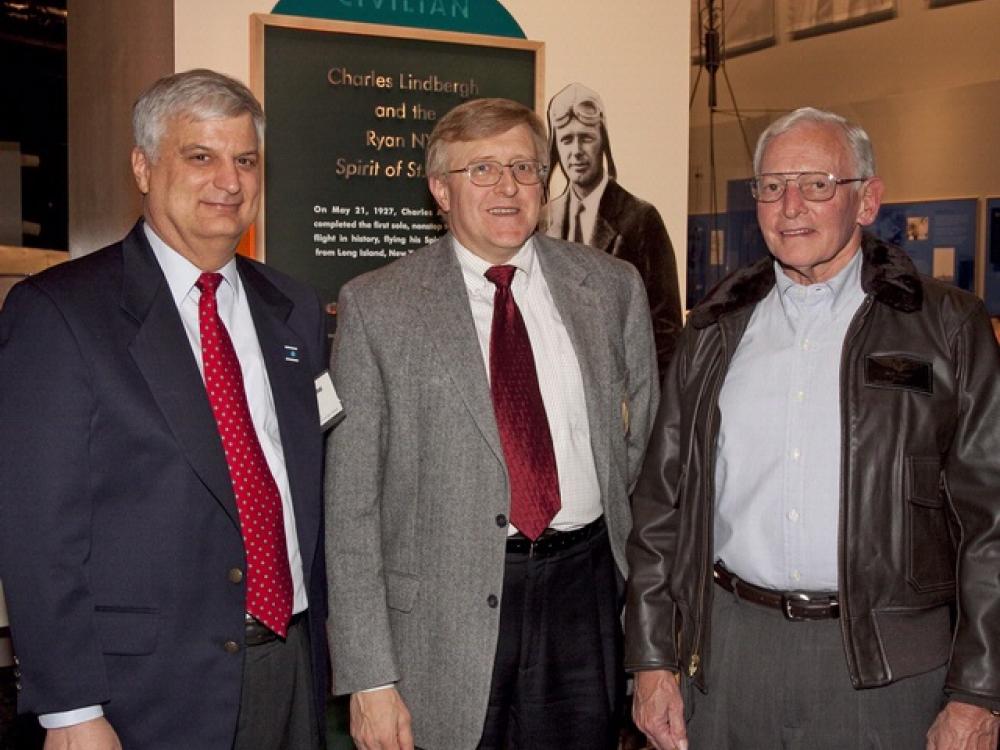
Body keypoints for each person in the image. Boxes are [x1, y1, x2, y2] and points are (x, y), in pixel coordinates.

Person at [624, 107, 1000, 750]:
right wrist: (652, 658)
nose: (790, 205)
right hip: (729, 655)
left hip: (886, 667)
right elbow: (663, 505)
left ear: (866, 200)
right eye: (771, 186)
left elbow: (990, 519)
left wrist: (978, 691)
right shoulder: (714, 329)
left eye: (817, 184)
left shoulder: (947, 327)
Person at [0, 69, 331, 750]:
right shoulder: (60, 313)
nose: (230, 181)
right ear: (143, 167)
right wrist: (70, 710)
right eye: (201, 156)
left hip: (291, 663)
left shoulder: (293, 307)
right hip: (144, 691)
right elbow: (36, 530)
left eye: (245, 160)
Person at [325, 97, 659, 750]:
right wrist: (368, 676)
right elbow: (350, 510)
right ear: (440, 191)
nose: (507, 187)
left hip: (584, 597)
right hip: (441, 623)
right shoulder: (378, 307)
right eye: (481, 170)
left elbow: (642, 460)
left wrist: (651, 640)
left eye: (524, 167)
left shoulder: (612, 289)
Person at [543, 82, 682, 373]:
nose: (577, 151)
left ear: (603, 141)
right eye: (567, 140)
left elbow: (665, 332)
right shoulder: (545, 220)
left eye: (586, 138)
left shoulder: (642, 219)